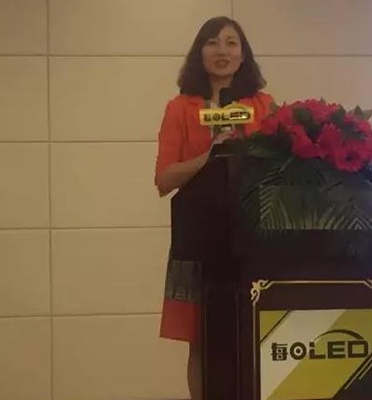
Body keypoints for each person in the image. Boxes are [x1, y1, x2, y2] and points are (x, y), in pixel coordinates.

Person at [154, 16, 275, 400]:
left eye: (231, 43)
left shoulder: (263, 105)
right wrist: (210, 155)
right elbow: (164, 179)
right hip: (199, 237)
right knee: (202, 340)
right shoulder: (180, 108)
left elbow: (277, 167)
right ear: (199, 53)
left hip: (251, 233)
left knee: (253, 331)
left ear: (243, 55)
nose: (222, 51)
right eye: (212, 42)